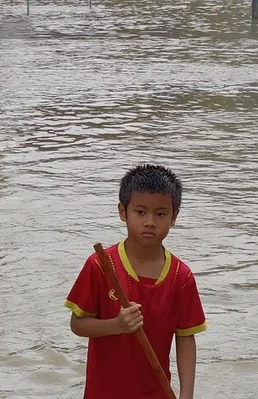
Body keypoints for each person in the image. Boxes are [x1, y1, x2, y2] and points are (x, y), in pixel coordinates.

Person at [65, 164, 207, 399]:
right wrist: (116, 325)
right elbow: (78, 324)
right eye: (140, 212)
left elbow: (185, 337)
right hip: (104, 393)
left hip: (156, 393)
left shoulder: (181, 277)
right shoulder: (101, 266)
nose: (150, 222)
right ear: (123, 212)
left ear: (174, 216)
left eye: (160, 214)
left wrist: (187, 394)